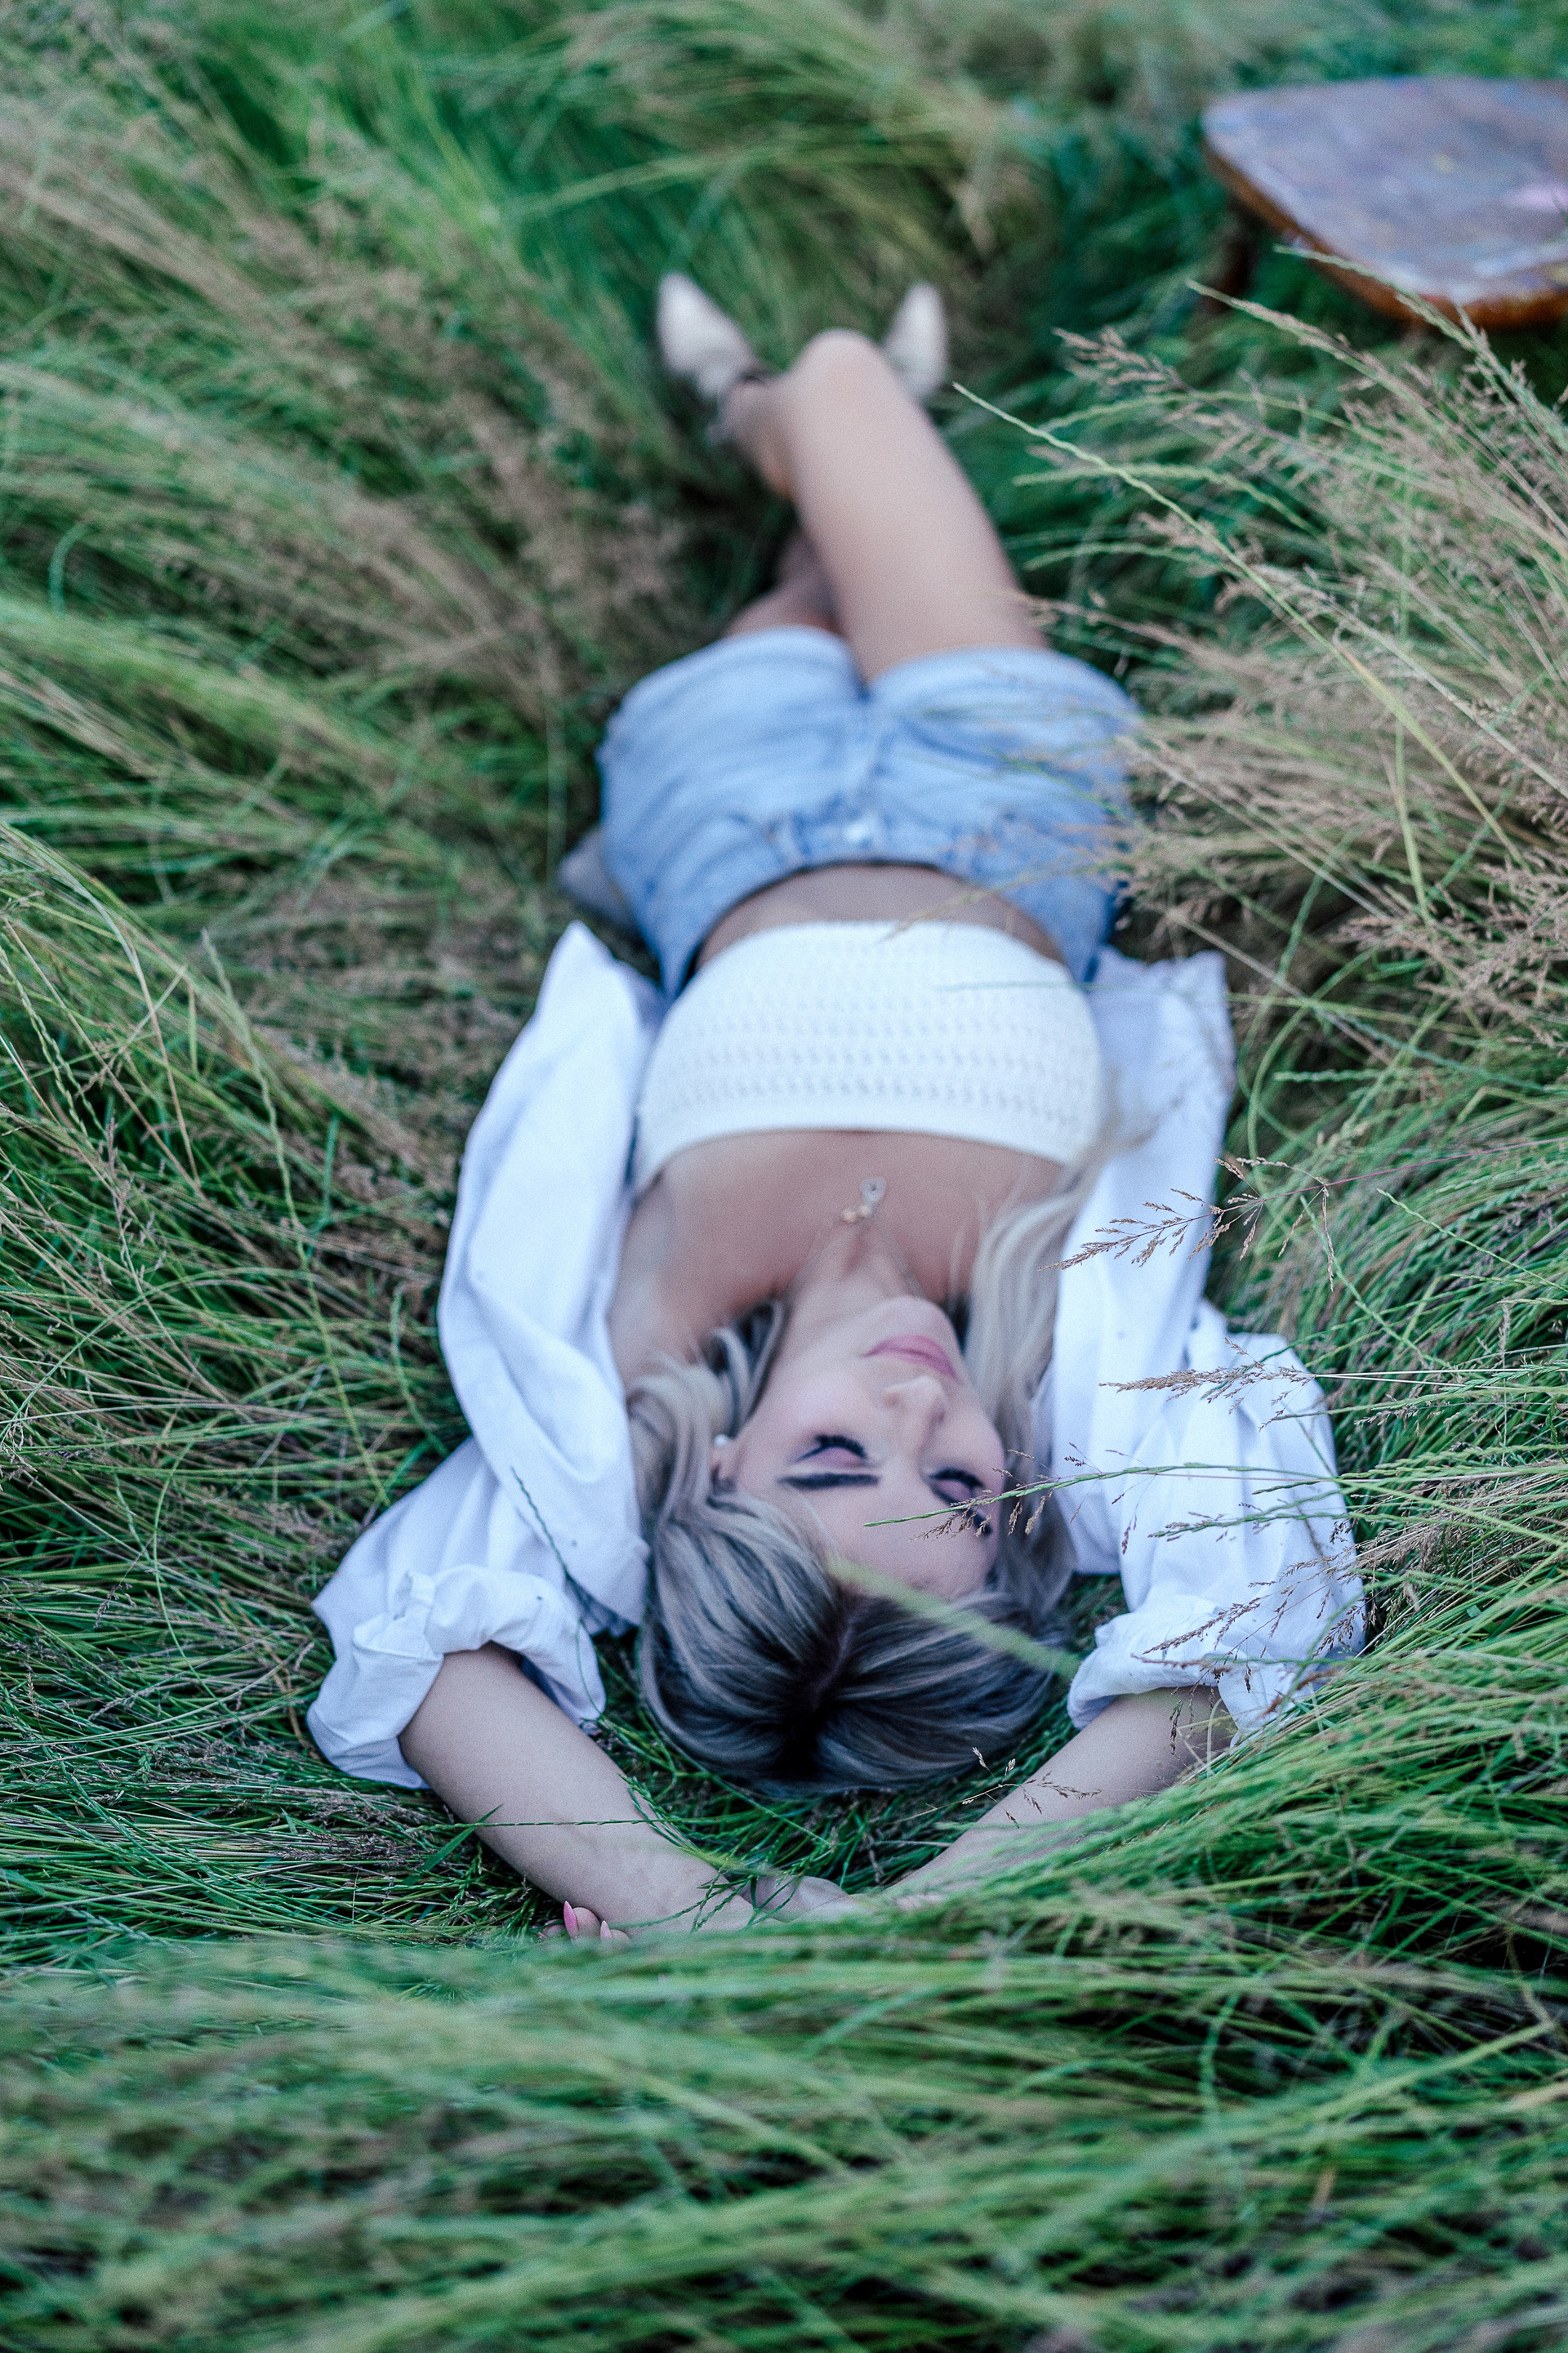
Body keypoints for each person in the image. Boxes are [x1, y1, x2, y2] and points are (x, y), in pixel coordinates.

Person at [306, 280, 1361, 1940]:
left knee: (825, 551)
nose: (918, 1408)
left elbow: (419, 1644)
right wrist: (940, 1904)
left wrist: (680, 1902)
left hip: (724, 823)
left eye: (833, 1456)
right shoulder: (1067, 1374)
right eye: (959, 1490)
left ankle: (762, 420)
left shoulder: (622, 1381)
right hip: (1006, 805)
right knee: (856, 391)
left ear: (721, 1463)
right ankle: (797, 404)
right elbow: (1257, 1608)